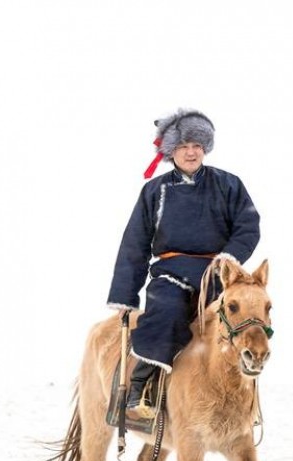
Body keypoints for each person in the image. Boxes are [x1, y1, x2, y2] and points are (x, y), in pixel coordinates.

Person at [107, 108, 260, 414]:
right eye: (183, 146)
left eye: (197, 145)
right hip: (171, 274)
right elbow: (135, 243)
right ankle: (143, 385)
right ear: (171, 151)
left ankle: (242, 393)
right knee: (166, 311)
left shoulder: (229, 184)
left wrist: (229, 258)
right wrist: (125, 294)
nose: (191, 152)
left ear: (205, 148)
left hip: (218, 274)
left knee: (246, 316)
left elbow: (248, 225)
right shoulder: (155, 191)